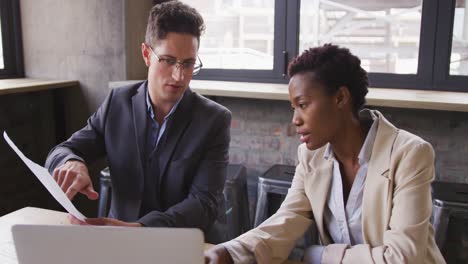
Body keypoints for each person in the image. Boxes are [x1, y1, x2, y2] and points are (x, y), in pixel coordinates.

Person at [205, 44, 445, 263]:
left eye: (303, 105)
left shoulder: (409, 154)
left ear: (340, 97)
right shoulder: (311, 156)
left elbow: (403, 257)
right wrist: (229, 251)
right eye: (293, 107)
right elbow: (286, 220)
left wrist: (321, 256)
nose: (295, 120)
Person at [45, 1, 231, 235]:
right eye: (168, 60)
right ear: (146, 54)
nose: (179, 75)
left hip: (178, 241)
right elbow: (61, 150)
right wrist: (71, 161)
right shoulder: (117, 103)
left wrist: (141, 228)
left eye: (188, 63)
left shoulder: (214, 119)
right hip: (118, 241)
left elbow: (205, 203)